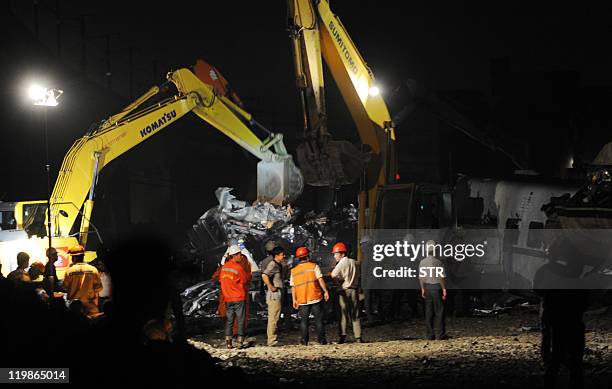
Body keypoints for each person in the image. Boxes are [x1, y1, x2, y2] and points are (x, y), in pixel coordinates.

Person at [290, 246, 330, 346]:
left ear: (298, 258)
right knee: (319, 320)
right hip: (315, 297)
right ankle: (321, 340)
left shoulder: (293, 271)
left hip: (302, 299)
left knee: (304, 321)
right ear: (308, 256)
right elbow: (320, 280)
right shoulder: (314, 266)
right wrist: (326, 291)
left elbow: (293, 287)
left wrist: (294, 300)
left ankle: (304, 341)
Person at [219, 245, 251, 349]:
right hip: (238, 298)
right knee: (240, 319)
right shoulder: (238, 268)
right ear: (235, 255)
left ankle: (228, 342)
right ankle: (239, 342)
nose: (241, 256)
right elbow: (245, 280)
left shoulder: (224, 268)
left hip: (228, 298)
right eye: (240, 255)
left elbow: (221, 281)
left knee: (229, 320)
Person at [330, 242, 363, 344]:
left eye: (336, 254)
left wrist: (338, 283)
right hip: (354, 289)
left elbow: (333, 275)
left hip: (344, 290)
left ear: (342, 253)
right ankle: (358, 336)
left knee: (343, 314)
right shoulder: (355, 262)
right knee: (355, 314)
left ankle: (343, 336)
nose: (335, 256)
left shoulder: (341, 264)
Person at [62, 245, 103, 318]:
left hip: (75, 309)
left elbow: (65, 288)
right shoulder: (93, 270)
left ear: (73, 257)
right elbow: (97, 289)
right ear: (83, 256)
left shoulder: (69, 271)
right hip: (91, 308)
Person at [418, 240, 447, 340]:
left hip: (427, 287)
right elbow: (441, 277)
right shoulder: (438, 262)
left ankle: (430, 335)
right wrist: (444, 289)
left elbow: (421, 277)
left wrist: (422, 288)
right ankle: (440, 334)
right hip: (436, 287)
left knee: (429, 311)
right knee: (439, 311)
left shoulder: (422, 262)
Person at [262, 246, 285, 346]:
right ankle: (272, 340)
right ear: (277, 255)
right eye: (282, 254)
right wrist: (271, 286)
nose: (284, 256)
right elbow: (264, 275)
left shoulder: (278, 264)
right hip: (274, 294)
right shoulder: (273, 264)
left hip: (277, 293)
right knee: (273, 317)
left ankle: (273, 338)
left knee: (275, 316)